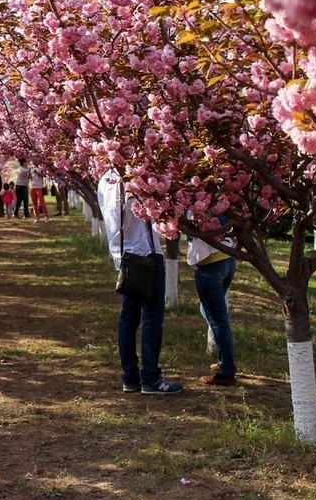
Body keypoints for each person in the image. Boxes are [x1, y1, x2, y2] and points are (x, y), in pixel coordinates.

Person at [99, 169, 182, 395]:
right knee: (152, 317)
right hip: (147, 253)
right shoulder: (137, 177)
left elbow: (110, 220)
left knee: (128, 317)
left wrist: (118, 255)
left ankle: (130, 377)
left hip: (125, 256)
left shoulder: (105, 180)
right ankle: (151, 378)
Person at [188, 225, 237, 386]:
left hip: (210, 265)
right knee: (207, 311)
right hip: (227, 260)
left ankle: (227, 372)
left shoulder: (197, 207)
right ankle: (225, 361)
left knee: (218, 320)